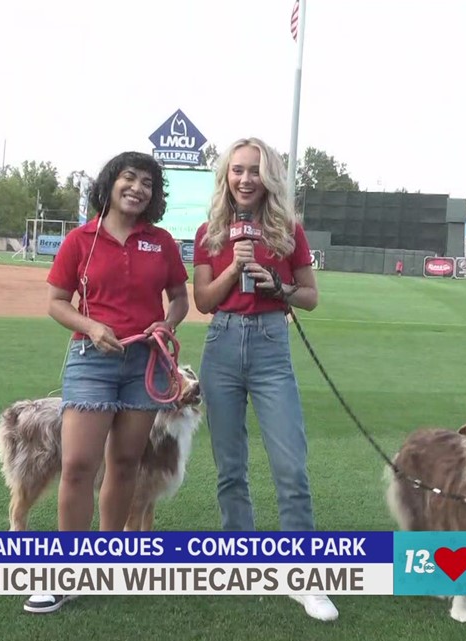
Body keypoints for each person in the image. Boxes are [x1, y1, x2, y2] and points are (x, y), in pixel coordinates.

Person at [25, 151, 190, 614]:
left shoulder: (161, 242)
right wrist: (93, 327)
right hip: (90, 360)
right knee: (78, 464)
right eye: (129, 179)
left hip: (145, 362)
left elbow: (180, 298)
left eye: (148, 184)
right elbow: (57, 302)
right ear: (111, 183)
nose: (138, 188)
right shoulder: (82, 239)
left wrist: (167, 324)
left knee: (124, 464)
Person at [191, 137, 338, 622]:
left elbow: (311, 297)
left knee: (291, 467)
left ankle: (302, 575)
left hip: (273, 343)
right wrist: (237, 264)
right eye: (237, 170)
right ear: (226, 176)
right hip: (223, 343)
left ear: (268, 176)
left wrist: (282, 287)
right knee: (230, 467)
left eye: (255, 170)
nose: (246, 178)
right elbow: (205, 301)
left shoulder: (288, 231)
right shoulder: (208, 232)